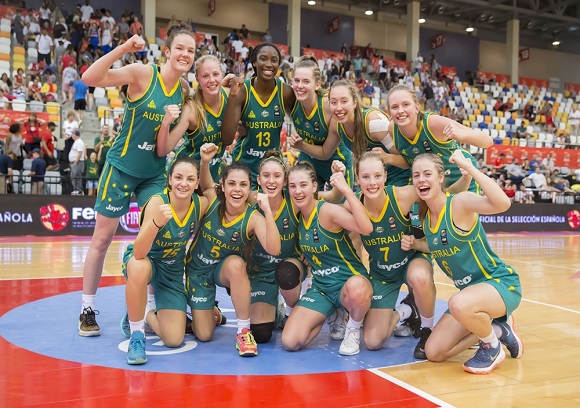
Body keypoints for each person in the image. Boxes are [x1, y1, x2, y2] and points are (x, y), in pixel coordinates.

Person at [77, 24, 196, 337]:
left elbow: (163, 146)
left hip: (153, 173)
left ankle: (150, 306)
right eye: (180, 48)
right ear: (167, 51)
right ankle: (87, 309)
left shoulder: (183, 90)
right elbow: (89, 78)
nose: (185, 54)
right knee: (102, 239)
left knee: (157, 233)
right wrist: (123, 48)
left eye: (191, 50)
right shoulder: (143, 74)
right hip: (121, 167)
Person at [411, 150, 523, 374]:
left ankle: (491, 346)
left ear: (440, 177)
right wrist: (415, 244)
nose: (421, 179)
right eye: (416, 175)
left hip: (499, 284)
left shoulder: (459, 203)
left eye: (427, 174)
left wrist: (470, 168)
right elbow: (435, 246)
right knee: (434, 352)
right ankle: (498, 330)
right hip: (469, 299)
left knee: (458, 303)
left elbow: (503, 203)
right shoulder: (425, 218)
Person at [185, 143, 281, 357]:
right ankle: (212, 312)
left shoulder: (253, 217)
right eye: (232, 184)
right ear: (222, 186)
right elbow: (206, 182)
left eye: (243, 185)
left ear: (250, 189)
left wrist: (267, 211)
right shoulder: (212, 199)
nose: (237, 189)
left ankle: (243, 331)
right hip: (198, 272)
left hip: (223, 270)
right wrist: (205, 162)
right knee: (204, 334)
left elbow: (274, 249)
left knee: (237, 264)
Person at [346, 152, 435, 359]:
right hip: (382, 273)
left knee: (419, 277)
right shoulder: (352, 206)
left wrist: (421, 239)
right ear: (357, 178)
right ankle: (406, 311)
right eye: (366, 177)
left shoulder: (403, 195)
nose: (372, 182)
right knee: (372, 341)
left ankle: (427, 330)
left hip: (411, 261)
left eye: (377, 176)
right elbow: (349, 241)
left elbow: (438, 195)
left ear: (385, 176)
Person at [122, 157, 208, 365]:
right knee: (138, 266)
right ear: (169, 179)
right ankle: (136, 335)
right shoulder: (157, 202)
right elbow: (139, 252)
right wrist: (155, 224)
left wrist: (205, 162)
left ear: (197, 183)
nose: (183, 183)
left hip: (172, 271)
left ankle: (143, 311)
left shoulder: (201, 204)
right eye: (178, 177)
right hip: (148, 260)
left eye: (190, 179)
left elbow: (214, 192)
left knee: (174, 339)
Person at [281, 162, 373, 356]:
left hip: (348, 283)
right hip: (321, 288)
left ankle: (353, 329)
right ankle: (331, 314)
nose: (298, 191)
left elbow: (366, 228)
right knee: (290, 341)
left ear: (314, 186)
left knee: (357, 288)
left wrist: (347, 190)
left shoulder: (327, 211)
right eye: (293, 186)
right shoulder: (296, 216)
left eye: (303, 185)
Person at [290, 79, 410, 187]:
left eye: (344, 101)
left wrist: (388, 158)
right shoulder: (337, 125)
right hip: (373, 180)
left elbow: (408, 160)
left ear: (354, 102)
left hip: (400, 178)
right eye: (333, 102)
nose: (338, 108)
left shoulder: (374, 123)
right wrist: (301, 145)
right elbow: (325, 153)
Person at [387, 84, 493, 193]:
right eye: (394, 107)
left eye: (406, 104)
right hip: (432, 185)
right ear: (389, 112)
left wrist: (463, 134)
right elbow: (409, 160)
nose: (400, 111)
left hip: (462, 178)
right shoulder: (392, 129)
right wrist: (387, 158)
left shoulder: (433, 124)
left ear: (417, 107)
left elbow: (487, 141)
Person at [246, 151, 306, 344]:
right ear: (258, 179)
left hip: (290, 265)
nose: (271, 181)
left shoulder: (294, 201)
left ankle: (290, 311)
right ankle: (274, 309)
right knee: (261, 334)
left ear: (285, 180)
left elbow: (323, 204)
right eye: (266, 175)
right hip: (260, 271)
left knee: (286, 273)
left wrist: (309, 249)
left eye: (277, 176)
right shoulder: (250, 202)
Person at [222, 43, 296, 188]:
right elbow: (227, 139)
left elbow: (302, 121)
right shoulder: (243, 90)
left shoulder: (286, 92)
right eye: (263, 58)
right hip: (244, 166)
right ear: (254, 62)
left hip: (272, 169)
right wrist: (232, 97)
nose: (268, 64)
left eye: (274, 60)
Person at [287, 56, 353, 192]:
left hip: (336, 164)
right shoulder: (291, 100)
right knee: (303, 201)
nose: (299, 86)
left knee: (339, 204)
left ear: (317, 84)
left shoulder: (329, 106)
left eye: (306, 81)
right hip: (309, 162)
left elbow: (325, 153)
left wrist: (300, 145)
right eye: (296, 80)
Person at [164, 55, 235, 182]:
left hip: (213, 171)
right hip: (186, 174)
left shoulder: (230, 95)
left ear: (222, 74)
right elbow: (167, 146)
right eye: (205, 76)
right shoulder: (191, 109)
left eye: (215, 74)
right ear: (197, 79)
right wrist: (165, 123)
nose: (211, 80)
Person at [68, 130, 86, 195]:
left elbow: (80, 152)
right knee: (74, 175)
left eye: (73, 134)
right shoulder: (76, 142)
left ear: (75, 135)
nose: (72, 135)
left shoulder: (79, 142)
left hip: (78, 162)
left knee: (76, 176)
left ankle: (78, 190)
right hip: (76, 162)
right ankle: (76, 189)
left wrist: (76, 161)